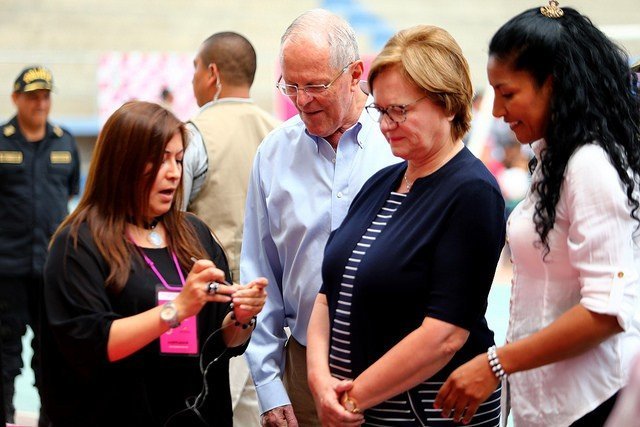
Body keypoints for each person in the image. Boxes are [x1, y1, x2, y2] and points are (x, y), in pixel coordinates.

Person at [435, 2, 640, 426]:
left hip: (591, 402)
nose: (496, 112)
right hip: (552, 402)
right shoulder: (553, 159)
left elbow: (606, 311)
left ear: (555, 85)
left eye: (508, 94)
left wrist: (496, 364)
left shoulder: (589, 164)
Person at [306, 25, 506, 427]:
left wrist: (352, 398)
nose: (386, 124)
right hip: (353, 406)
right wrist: (318, 379)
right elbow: (328, 294)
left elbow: (445, 334)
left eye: (400, 110)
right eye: (381, 111)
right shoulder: (383, 181)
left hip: (419, 413)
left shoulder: (471, 192)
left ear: (448, 104)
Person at [40, 101, 267, 426]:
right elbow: (89, 343)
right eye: (160, 160)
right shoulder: (78, 243)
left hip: (194, 415)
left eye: (177, 159)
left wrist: (243, 318)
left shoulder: (195, 234)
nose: (174, 172)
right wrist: (175, 310)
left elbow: (222, 342)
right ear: (122, 163)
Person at [241, 9, 400, 426]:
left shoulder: (398, 145)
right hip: (303, 371)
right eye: (291, 85)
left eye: (315, 85)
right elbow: (259, 273)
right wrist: (270, 387)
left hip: (396, 363)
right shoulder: (273, 154)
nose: (301, 100)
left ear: (355, 74)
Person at [187, 31, 281, 426]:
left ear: (211, 73)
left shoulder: (193, 135)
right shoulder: (280, 134)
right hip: (274, 307)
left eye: (194, 68)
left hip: (213, 312)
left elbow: (168, 223)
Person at [0, 65, 80, 425]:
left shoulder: (65, 141)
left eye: (45, 96)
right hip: (7, 270)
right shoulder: (1, 140)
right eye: (32, 96)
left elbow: (72, 195)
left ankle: (51, 420)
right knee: (4, 354)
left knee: (51, 354)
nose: (41, 103)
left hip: (51, 269)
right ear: (16, 98)